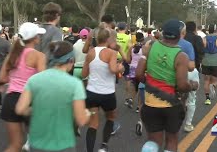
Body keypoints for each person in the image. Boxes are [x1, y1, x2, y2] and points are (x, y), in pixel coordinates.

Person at [136, 19, 199, 152]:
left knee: (153, 141)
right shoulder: (181, 56)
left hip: (150, 103)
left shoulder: (151, 46)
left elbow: (138, 75)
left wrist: (149, 83)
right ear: (181, 34)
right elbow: (182, 86)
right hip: (172, 105)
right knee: (171, 140)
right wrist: (192, 85)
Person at [16, 41, 89, 152]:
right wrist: (87, 114)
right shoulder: (75, 84)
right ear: (71, 60)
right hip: (63, 144)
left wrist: (36, 109)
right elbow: (81, 120)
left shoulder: (34, 80)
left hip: (37, 143)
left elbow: (20, 109)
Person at [0, 22, 46, 152]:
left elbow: (1, 79)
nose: (40, 38)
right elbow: (42, 82)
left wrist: (16, 78)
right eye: (38, 35)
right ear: (35, 38)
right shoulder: (39, 56)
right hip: (29, 101)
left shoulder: (13, 54)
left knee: (15, 146)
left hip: (10, 100)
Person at [82, 24, 124, 152]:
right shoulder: (111, 52)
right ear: (108, 39)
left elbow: (84, 74)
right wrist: (119, 68)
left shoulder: (90, 52)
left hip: (92, 92)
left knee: (93, 123)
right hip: (107, 93)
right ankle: (103, 145)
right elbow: (113, 69)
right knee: (111, 117)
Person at [178, 24, 199, 132]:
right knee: (192, 97)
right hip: (187, 72)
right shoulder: (187, 44)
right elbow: (191, 66)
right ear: (184, 32)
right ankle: (188, 124)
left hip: (171, 73)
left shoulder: (163, 43)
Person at [202, 24, 217, 105]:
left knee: (206, 80)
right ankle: (213, 86)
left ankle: (207, 98)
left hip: (206, 61)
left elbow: (202, 49)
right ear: (216, 30)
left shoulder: (204, 38)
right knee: (215, 80)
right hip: (215, 61)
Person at [125, 32, 144, 113]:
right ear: (143, 39)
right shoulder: (144, 49)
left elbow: (128, 60)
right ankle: (138, 106)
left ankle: (131, 99)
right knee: (141, 88)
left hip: (132, 68)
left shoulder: (131, 48)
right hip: (141, 69)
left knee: (134, 85)